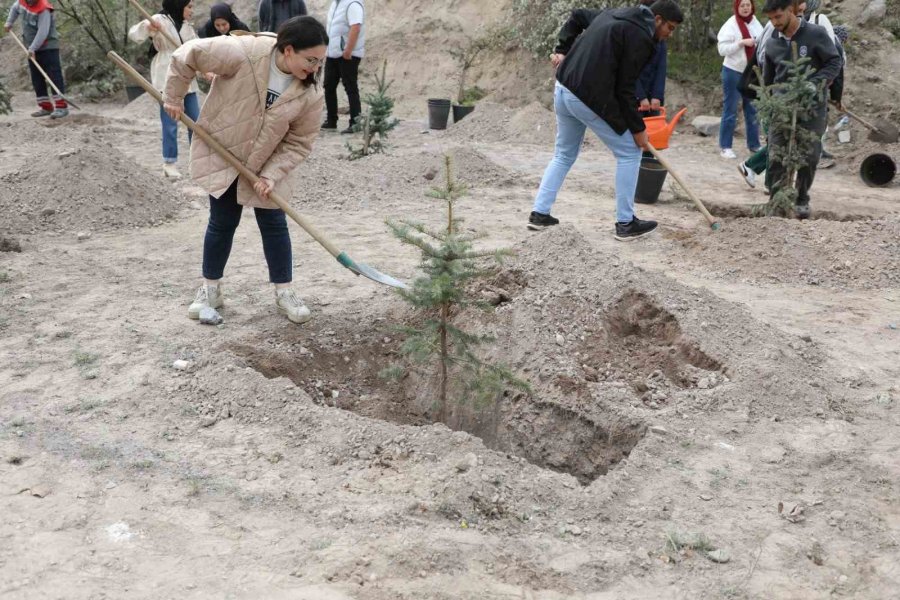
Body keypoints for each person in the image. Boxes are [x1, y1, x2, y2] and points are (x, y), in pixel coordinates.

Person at [163, 16, 327, 324]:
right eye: (311, 60)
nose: (315, 68)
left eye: (320, 61)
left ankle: (284, 292)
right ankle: (210, 290)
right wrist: (174, 96)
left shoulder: (310, 93)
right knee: (222, 222)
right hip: (225, 153)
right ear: (288, 50)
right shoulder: (243, 52)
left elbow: (299, 143)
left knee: (275, 224)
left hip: (268, 164)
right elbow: (187, 54)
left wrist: (272, 174)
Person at [528, 0, 683, 241]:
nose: (669, 35)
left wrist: (562, 50)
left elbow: (578, 15)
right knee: (630, 152)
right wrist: (638, 129)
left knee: (564, 154)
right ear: (658, 19)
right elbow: (625, 89)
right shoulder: (641, 37)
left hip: (563, 87)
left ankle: (539, 213)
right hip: (585, 96)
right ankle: (625, 223)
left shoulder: (615, 14)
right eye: (670, 28)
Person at [762, 0, 841, 219]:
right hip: (781, 106)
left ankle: (801, 198)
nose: (774, 23)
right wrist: (769, 105)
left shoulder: (816, 34)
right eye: (770, 19)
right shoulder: (772, 42)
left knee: (809, 155)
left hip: (812, 106)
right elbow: (768, 79)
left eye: (778, 17)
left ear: (790, 10)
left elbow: (834, 62)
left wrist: (815, 83)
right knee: (776, 153)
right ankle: (776, 199)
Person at [129, 0, 200, 179]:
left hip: (187, 75)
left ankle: (198, 162)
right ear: (179, 5)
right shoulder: (159, 19)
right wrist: (149, 27)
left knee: (196, 122)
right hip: (166, 73)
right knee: (170, 123)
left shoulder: (186, 26)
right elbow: (134, 35)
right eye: (189, 6)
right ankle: (169, 163)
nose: (191, 10)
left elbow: (198, 49)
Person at [4, 0, 68, 119]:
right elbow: (14, 8)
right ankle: (46, 107)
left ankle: (61, 107)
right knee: (37, 78)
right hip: (30, 47)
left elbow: (42, 32)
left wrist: (33, 48)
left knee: (54, 76)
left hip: (48, 47)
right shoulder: (22, 2)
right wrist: (9, 22)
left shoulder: (44, 8)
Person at [717, 0, 763, 159]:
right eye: (742, 5)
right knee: (730, 109)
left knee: (752, 110)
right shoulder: (730, 25)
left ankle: (754, 145)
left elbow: (764, 43)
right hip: (732, 71)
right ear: (737, 7)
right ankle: (725, 146)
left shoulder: (756, 24)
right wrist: (741, 43)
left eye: (748, 5)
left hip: (751, 72)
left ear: (752, 7)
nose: (745, 8)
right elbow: (722, 50)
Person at [321, 0, 365, 134]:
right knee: (328, 86)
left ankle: (355, 123)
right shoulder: (335, 4)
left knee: (350, 87)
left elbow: (355, 27)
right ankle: (331, 120)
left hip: (347, 55)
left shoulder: (353, 4)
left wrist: (348, 50)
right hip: (332, 54)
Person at [636, 0, 668, 117]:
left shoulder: (661, 40)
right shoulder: (634, 33)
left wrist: (657, 95)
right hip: (633, 97)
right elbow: (628, 71)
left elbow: (661, 69)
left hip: (653, 99)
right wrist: (640, 96)